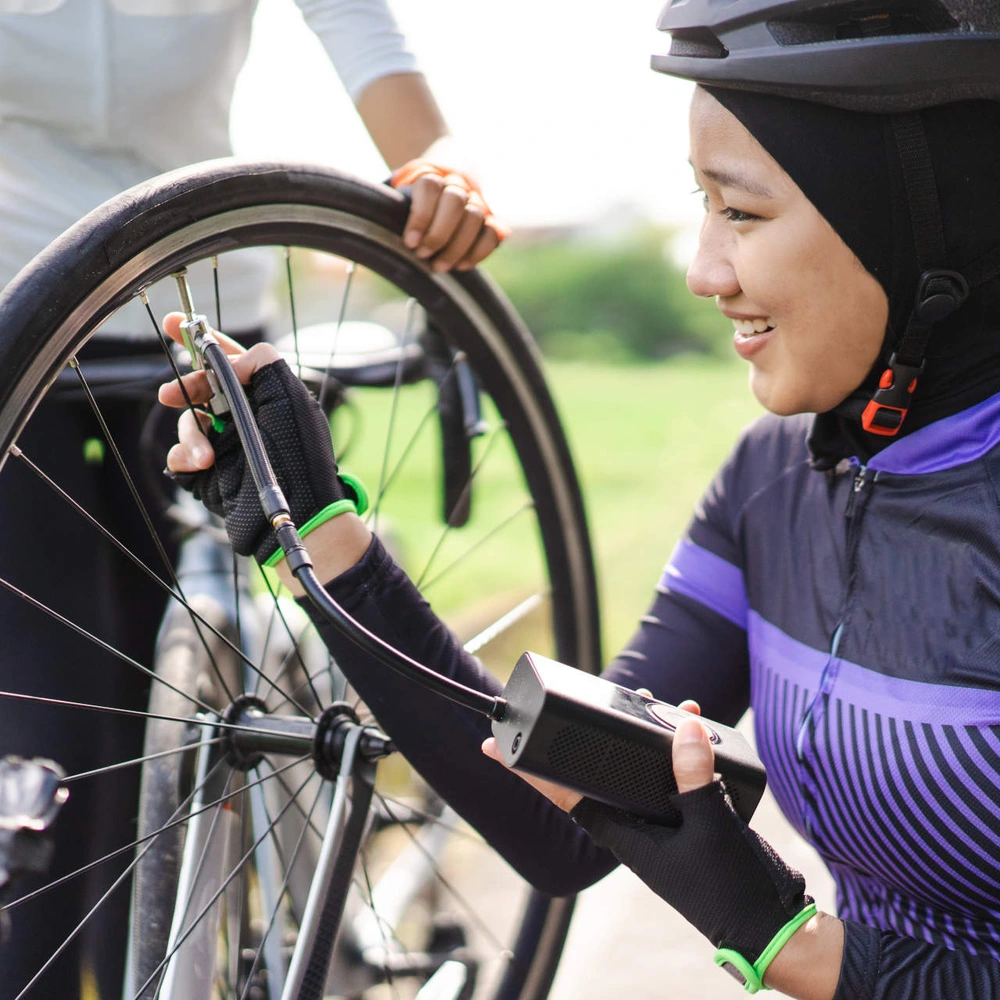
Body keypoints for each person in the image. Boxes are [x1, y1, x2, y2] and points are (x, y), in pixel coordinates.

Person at [163, 1, 1000, 996]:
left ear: (917, 220)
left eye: (742, 210)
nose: (701, 270)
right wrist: (314, 527)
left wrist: (791, 943)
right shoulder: (775, 480)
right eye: (699, 203)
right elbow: (563, 814)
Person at [0, 2, 506, 997]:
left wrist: (436, 160)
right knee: (56, 709)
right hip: (19, 328)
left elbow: (363, 31)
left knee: (169, 701)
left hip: (192, 309)